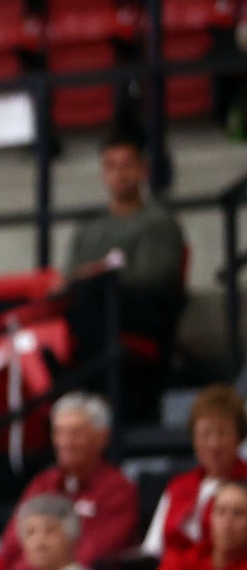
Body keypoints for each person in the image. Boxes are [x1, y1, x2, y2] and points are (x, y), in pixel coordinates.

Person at [64, 129, 188, 410]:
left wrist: (101, 275)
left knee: (92, 293)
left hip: (141, 311)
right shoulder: (88, 227)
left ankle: (91, 393)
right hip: (92, 306)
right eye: (111, 166)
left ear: (143, 170)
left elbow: (153, 278)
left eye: (127, 165)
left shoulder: (160, 222)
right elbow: (71, 274)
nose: (119, 174)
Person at [0, 393, 138, 570]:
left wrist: (33, 566)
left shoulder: (118, 490)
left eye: (75, 433)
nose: (65, 442)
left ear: (102, 438)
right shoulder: (43, 483)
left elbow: (93, 556)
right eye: (59, 432)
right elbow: (10, 548)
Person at [140, 385, 247, 559]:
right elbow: (153, 551)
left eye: (222, 433)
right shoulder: (177, 487)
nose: (214, 445)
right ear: (194, 439)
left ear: (239, 436)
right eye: (205, 434)